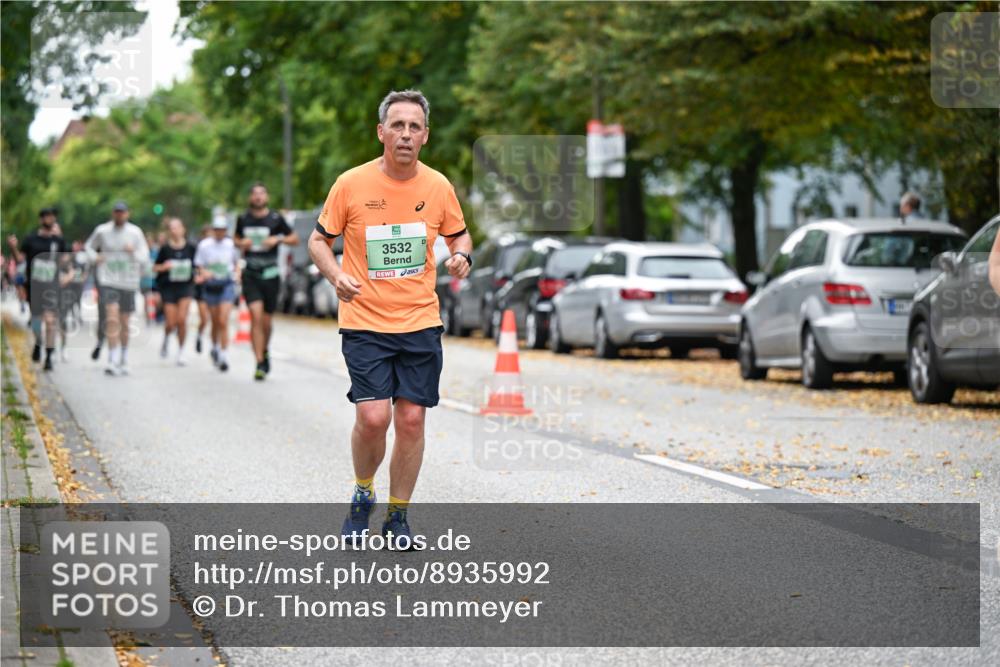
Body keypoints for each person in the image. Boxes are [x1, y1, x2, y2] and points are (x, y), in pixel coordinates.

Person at [308, 89, 473, 548]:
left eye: (414, 126)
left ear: (425, 136)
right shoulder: (351, 184)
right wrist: (336, 274)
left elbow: (461, 237)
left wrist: (462, 258)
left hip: (420, 318)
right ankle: (363, 491)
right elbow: (318, 241)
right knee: (375, 417)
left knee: (413, 419)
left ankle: (398, 518)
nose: (405, 134)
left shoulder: (438, 187)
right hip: (364, 319)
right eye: (396, 125)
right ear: (381, 132)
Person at [235, 183, 298, 381]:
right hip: (251, 274)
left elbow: (294, 239)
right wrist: (240, 243)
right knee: (255, 316)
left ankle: (265, 348)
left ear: (267, 197)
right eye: (255, 194)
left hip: (271, 275)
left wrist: (277, 240)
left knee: (266, 321)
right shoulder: (243, 218)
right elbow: (235, 239)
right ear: (250, 198)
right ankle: (259, 361)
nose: (259, 197)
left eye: (262, 193)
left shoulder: (275, 218)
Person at [85, 201, 150, 376]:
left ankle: (124, 357)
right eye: (116, 212)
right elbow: (88, 247)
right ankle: (112, 359)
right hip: (108, 280)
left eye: (122, 212)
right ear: (112, 213)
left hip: (128, 282)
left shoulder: (135, 233)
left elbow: (144, 257)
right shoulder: (102, 230)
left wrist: (133, 252)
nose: (119, 215)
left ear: (128, 214)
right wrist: (95, 257)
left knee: (125, 322)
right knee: (112, 318)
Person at [10, 208, 68, 371]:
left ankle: (49, 355)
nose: (50, 220)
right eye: (47, 217)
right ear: (41, 219)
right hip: (34, 286)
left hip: (52, 287)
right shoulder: (31, 239)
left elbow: (65, 261)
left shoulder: (58, 240)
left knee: (50, 321)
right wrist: (13, 247)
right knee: (36, 321)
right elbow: (20, 259)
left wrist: (68, 273)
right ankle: (38, 342)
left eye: (52, 217)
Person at [195, 217, 241, 372]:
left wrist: (237, 275)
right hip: (211, 286)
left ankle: (224, 355)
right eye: (217, 229)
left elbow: (236, 264)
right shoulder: (204, 245)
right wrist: (204, 273)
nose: (220, 232)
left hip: (226, 284)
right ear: (213, 230)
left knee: (223, 320)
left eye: (222, 229)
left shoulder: (231, 245)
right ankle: (214, 347)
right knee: (214, 321)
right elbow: (199, 266)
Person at [153, 217, 197, 366]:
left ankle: (181, 350)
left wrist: (200, 275)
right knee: (171, 323)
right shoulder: (165, 249)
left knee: (182, 320)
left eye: (177, 227)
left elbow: (199, 266)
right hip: (169, 288)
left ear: (183, 229)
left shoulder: (191, 248)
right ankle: (166, 339)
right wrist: (164, 267)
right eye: (172, 228)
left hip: (186, 287)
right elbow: (155, 267)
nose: (175, 230)